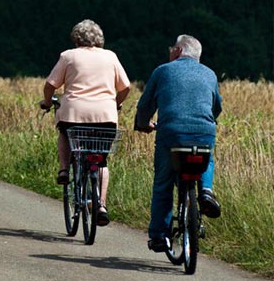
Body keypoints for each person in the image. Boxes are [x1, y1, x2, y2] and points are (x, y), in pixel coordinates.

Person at [135, 34, 222, 252]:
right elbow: (216, 107)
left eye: (172, 47)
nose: (170, 51)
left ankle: (158, 236)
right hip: (204, 130)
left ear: (179, 50)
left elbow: (145, 104)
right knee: (207, 154)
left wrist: (143, 124)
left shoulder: (163, 70)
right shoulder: (210, 74)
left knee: (163, 182)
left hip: (171, 133)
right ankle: (206, 191)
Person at [40, 19, 130, 226]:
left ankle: (64, 169)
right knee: (101, 161)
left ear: (76, 38)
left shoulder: (68, 56)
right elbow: (125, 88)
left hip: (73, 114)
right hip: (105, 117)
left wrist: (46, 102)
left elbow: (50, 85)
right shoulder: (111, 57)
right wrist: (114, 103)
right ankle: (101, 205)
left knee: (64, 133)